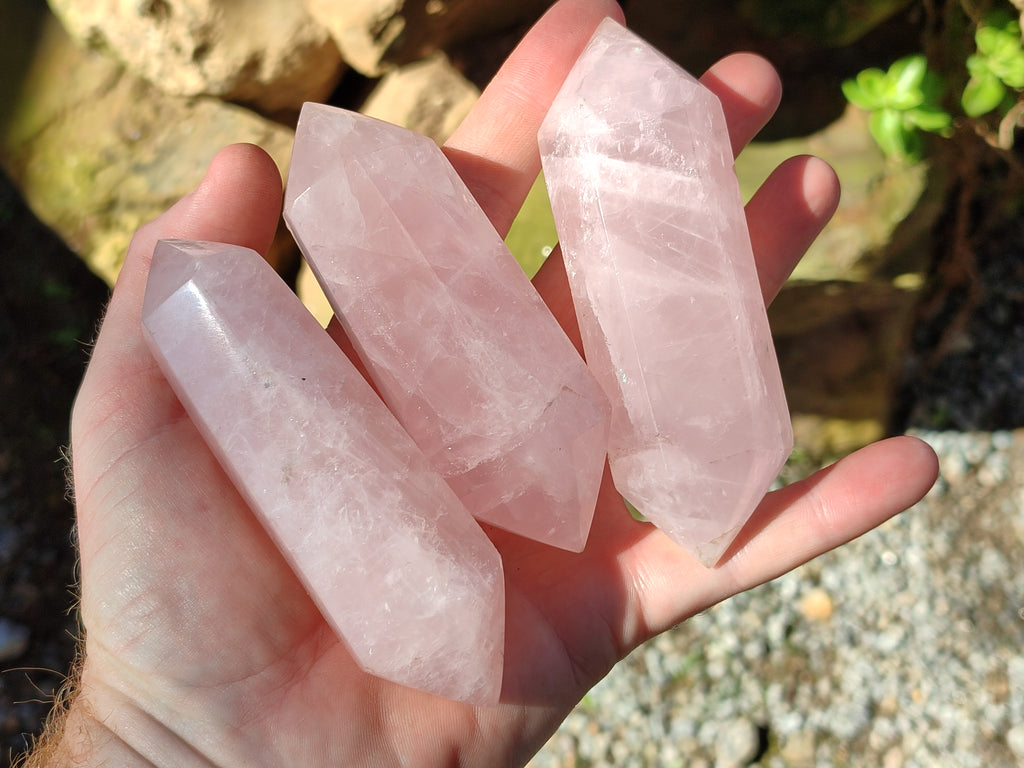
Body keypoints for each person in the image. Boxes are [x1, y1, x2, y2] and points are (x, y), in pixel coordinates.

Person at [25, 0, 939, 765]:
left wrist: (158, 745)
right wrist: (154, 741)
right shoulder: (233, 290)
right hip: (460, 593)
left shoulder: (257, 257)